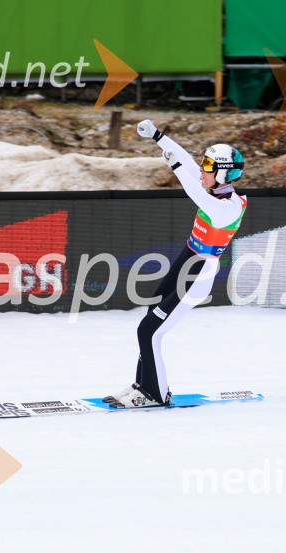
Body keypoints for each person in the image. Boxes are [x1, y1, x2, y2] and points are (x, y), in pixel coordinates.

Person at [103, 120, 247, 408]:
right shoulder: (213, 188)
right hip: (188, 258)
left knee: (149, 331)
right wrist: (158, 136)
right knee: (149, 316)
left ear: (222, 173)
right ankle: (143, 384)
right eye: (204, 164)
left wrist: (177, 169)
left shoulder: (226, 207)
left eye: (208, 166)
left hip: (200, 271)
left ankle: (155, 394)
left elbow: (192, 188)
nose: (202, 169)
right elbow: (188, 162)